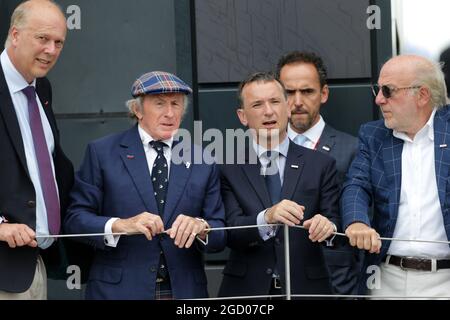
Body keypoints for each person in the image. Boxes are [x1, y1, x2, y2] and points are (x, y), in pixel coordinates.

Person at [64, 71, 226, 300]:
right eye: (160, 104)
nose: (170, 113)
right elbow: (75, 220)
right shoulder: (102, 153)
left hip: (184, 292)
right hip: (118, 291)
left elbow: (220, 233)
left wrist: (201, 227)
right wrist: (121, 225)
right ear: (137, 110)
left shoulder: (202, 160)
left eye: (176, 104)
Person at [218, 71, 340, 298]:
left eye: (275, 101)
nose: (268, 111)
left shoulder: (321, 164)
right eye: (257, 105)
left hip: (307, 291)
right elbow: (229, 232)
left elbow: (335, 223)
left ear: (287, 107)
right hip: (246, 293)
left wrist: (327, 227)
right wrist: (267, 217)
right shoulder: (227, 167)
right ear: (242, 116)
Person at [342, 54, 450, 297]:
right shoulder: (373, 135)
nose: (379, 99)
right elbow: (355, 185)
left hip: (446, 280)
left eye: (388, 91)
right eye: (377, 90)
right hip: (386, 277)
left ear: (422, 95)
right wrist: (356, 221)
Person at [0, 0, 74, 300]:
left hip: (33, 267)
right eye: (42, 38)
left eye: (59, 42)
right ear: (15, 35)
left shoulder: (41, 89)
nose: (51, 50)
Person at [276, 51, 360, 295]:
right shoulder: (262, 149)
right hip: (273, 282)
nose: (298, 101)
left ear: (323, 93)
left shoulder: (353, 148)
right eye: (289, 92)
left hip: (334, 282)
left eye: (307, 91)